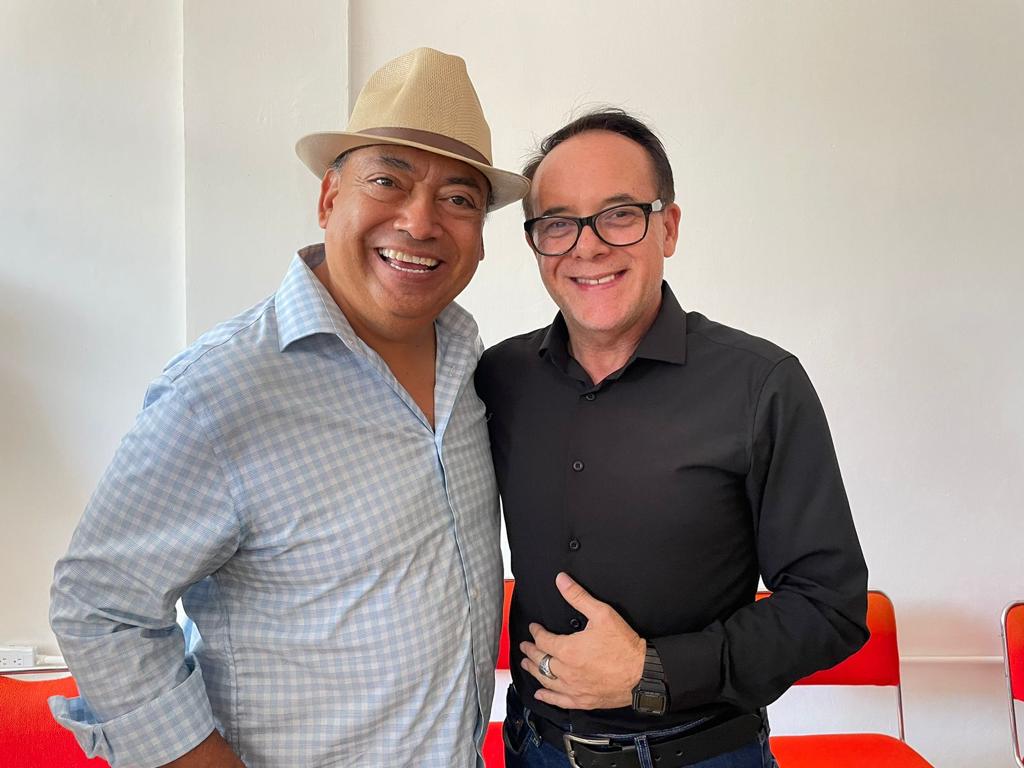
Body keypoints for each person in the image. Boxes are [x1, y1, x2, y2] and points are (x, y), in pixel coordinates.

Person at [49, 47, 528, 768]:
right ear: (329, 199)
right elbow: (99, 607)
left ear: (481, 239)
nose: (420, 221)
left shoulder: (471, 366)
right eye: (388, 181)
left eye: (459, 199)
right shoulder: (222, 390)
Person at [475, 109, 869, 768]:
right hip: (532, 749)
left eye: (619, 214)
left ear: (669, 227)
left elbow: (830, 606)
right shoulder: (498, 379)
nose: (587, 247)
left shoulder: (761, 384)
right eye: (558, 223)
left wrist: (653, 671)